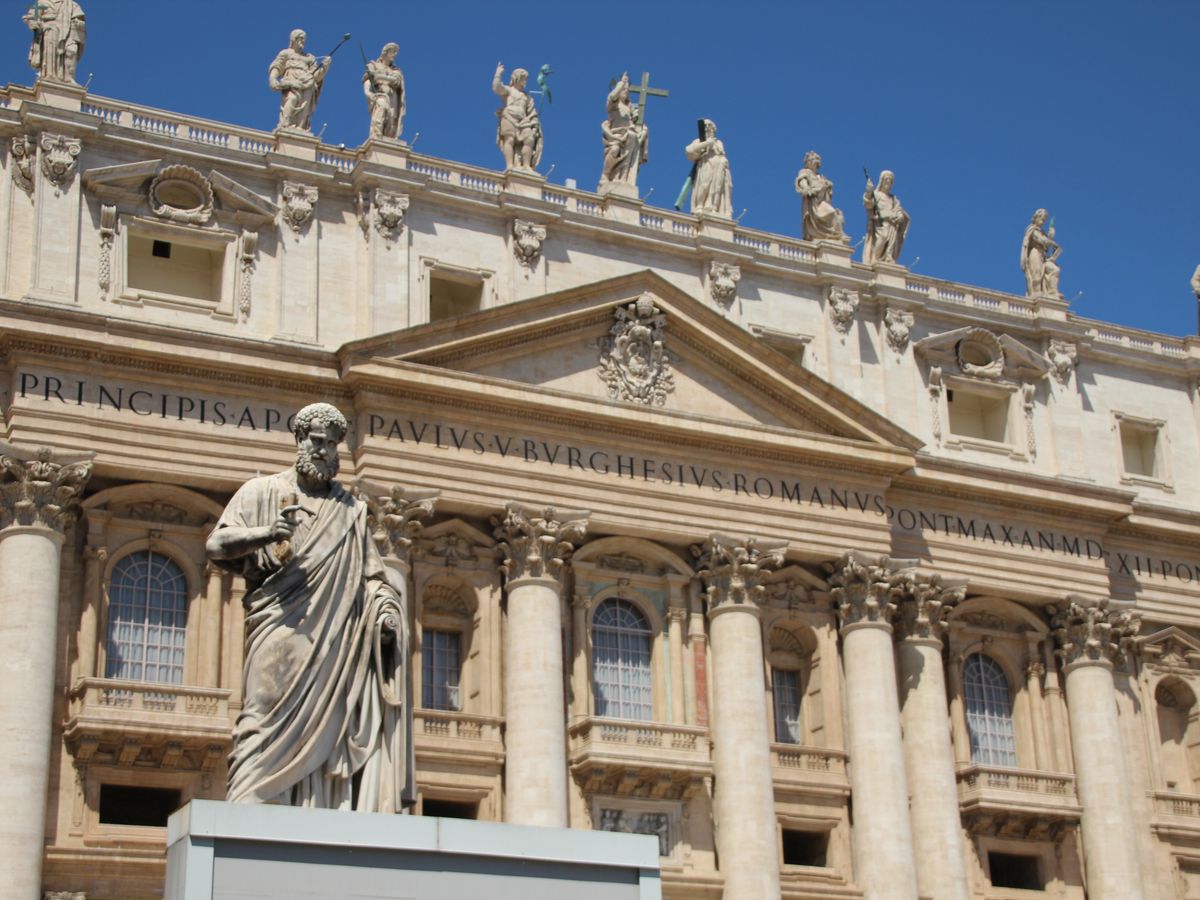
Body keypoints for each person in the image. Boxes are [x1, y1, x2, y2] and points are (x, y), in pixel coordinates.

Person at [207, 402, 412, 811]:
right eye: (317, 441)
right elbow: (216, 545)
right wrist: (267, 532)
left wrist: (386, 612)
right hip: (279, 624)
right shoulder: (261, 491)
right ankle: (247, 814)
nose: (323, 450)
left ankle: (312, 811)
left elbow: (373, 577)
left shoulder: (350, 510)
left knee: (329, 726)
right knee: (261, 713)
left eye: (332, 445)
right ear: (299, 439)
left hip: (335, 640)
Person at [269, 29, 329, 133]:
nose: (303, 41)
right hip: (291, 81)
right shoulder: (286, 53)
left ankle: (301, 128)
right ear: (294, 39)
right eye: (300, 38)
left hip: (308, 83)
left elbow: (316, 76)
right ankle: (285, 124)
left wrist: (325, 67)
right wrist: (272, 78)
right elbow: (277, 66)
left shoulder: (309, 57)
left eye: (304, 39)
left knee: (305, 107)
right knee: (291, 98)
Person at [599, 73, 649, 193]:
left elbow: (636, 121)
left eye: (627, 90)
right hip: (615, 136)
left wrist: (637, 119)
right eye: (624, 90)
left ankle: (623, 178)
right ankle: (606, 175)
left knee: (628, 159)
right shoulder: (613, 105)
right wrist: (622, 83)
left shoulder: (629, 107)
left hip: (629, 136)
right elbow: (612, 96)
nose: (626, 92)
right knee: (615, 150)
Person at [492, 63, 541, 172]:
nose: (525, 81)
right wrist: (498, 74)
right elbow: (496, 88)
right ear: (517, 78)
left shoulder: (527, 97)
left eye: (526, 79)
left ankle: (526, 165)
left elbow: (532, 112)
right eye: (524, 79)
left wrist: (534, 124)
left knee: (529, 139)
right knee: (509, 139)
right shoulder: (509, 90)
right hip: (508, 117)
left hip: (523, 121)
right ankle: (509, 165)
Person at [23, 0, 85, 84]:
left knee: (72, 51)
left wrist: (78, 22)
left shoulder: (71, 4)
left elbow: (79, 18)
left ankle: (69, 77)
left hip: (69, 31)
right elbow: (32, 16)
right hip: (50, 29)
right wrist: (34, 22)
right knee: (50, 50)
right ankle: (50, 75)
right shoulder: (42, 2)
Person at [685, 119, 732, 216]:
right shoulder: (699, 141)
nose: (707, 129)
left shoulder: (719, 142)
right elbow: (689, 151)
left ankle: (713, 207)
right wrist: (706, 143)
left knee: (716, 188)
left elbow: (721, 154)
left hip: (719, 167)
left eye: (709, 126)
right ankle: (699, 206)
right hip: (706, 164)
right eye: (705, 127)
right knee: (704, 185)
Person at [795, 151, 845, 242]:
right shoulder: (804, 172)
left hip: (821, 202)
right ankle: (832, 236)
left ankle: (837, 236)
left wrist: (828, 186)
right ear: (808, 162)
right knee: (831, 213)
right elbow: (802, 181)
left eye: (816, 161)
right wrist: (806, 188)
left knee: (833, 213)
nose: (815, 162)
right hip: (813, 203)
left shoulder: (820, 176)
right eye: (813, 160)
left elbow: (827, 188)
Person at [862, 170, 910, 264]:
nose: (888, 183)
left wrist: (899, 215)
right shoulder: (876, 194)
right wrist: (869, 191)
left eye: (890, 181)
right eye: (886, 180)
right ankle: (875, 258)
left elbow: (898, 209)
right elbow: (868, 204)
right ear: (882, 181)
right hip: (880, 223)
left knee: (891, 243)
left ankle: (888, 257)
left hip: (892, 224)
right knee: (883, 236)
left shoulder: (893, 198)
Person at [363, 42, 405, 140]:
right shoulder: (373, 65)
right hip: (380, 95)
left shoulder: (396, 70)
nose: (394, 55)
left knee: (391, 122)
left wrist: (379, 77)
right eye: (393, 52)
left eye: (395, 53)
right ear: (385, 52)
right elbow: (367, 80)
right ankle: (376, 138)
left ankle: (387, 142)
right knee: (380, 112)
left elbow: (396, 81)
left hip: (393, 98)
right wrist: (368, 93)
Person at [1020, 209, 1062, 298]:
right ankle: (1037, 295)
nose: (1043, 221)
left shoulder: (1042, 232)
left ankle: (1052, 292)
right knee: (1037, 274)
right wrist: (1051, 241)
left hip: (1043, 256)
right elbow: (1040, 239)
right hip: (1035, 253)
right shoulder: (1032, 229)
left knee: (1055, 270)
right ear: (1036, 218)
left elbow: (1046, 244)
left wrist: (1050, 236)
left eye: (1044, 219)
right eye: (1041, 218)